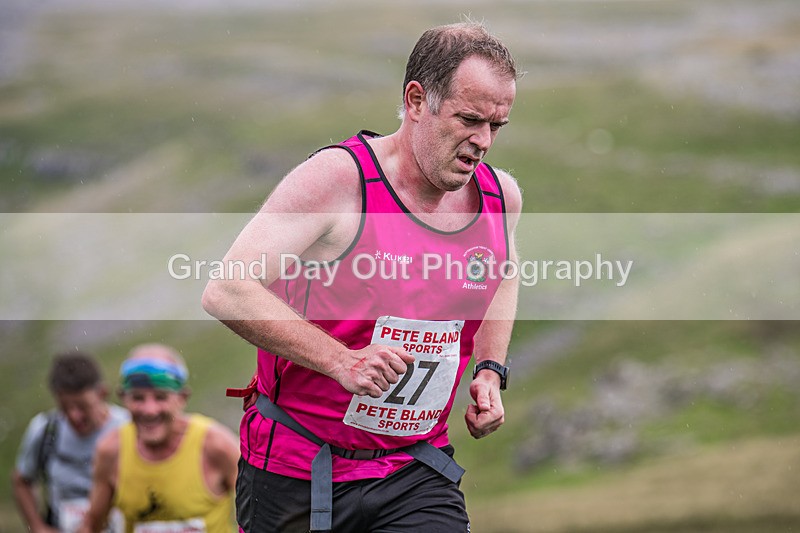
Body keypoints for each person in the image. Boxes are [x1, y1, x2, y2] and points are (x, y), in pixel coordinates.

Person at [202, 20, 522, 533]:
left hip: (415, 470)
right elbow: (227, 289)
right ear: (417, 100)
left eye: (496, 125)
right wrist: (342, 361)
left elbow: (503, 272)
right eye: (468, 119)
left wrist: (490, 369)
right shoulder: (338, 181)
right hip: (298, 468)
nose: (483, 141)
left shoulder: (499, 197)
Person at [79, 344, 240, 533]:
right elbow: (92, 524)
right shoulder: (111, 450)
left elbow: (264, 513)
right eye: (138, 398)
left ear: (182, 397)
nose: (149, 410)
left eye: (161, 397)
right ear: (123, 398)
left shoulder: (216, 445)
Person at [11, 351, 129, 533]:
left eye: (83, 406)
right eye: (65, 407)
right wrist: (37, 526)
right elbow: (22, 480)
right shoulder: (46, 430)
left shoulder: (128, 428)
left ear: (102, 393)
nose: (74, 416)